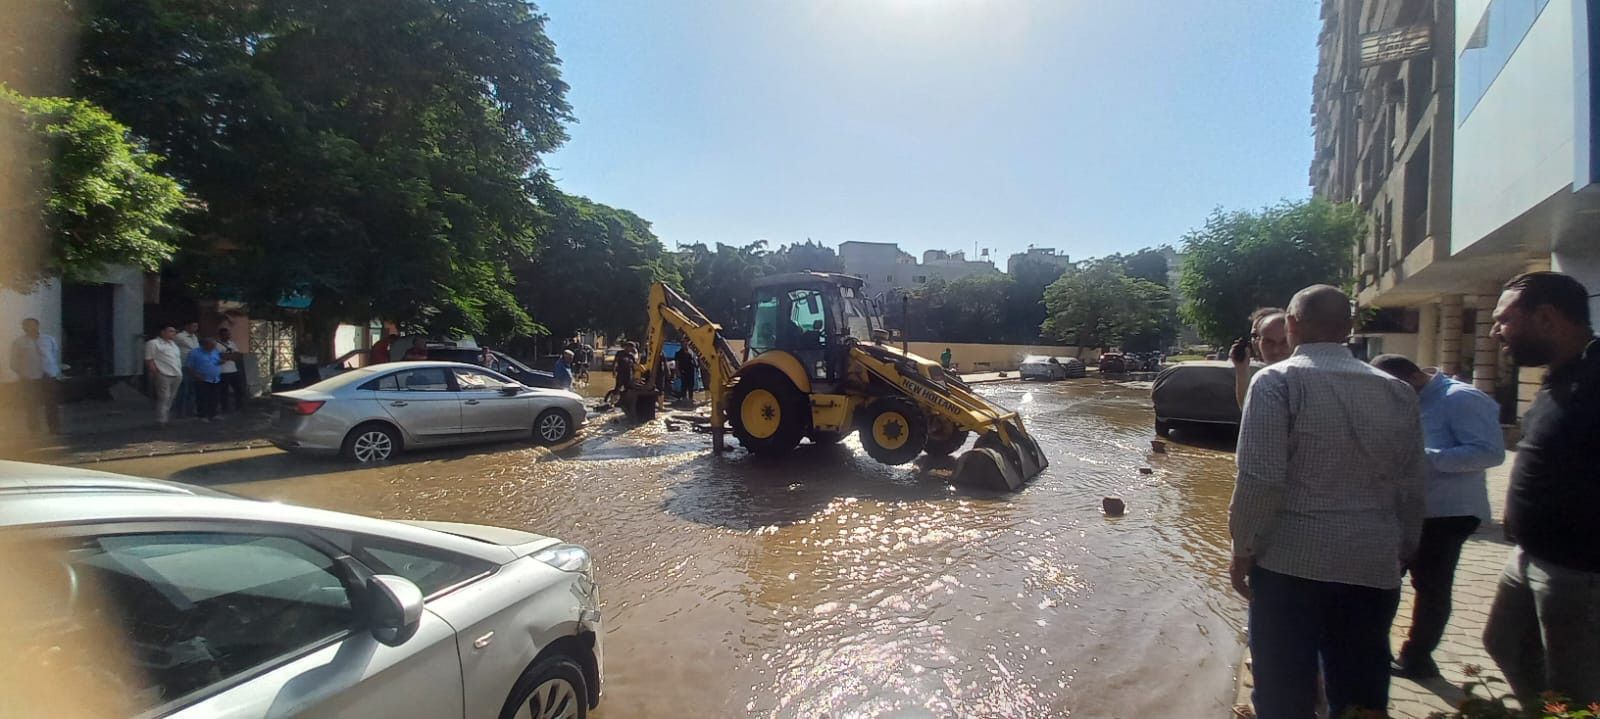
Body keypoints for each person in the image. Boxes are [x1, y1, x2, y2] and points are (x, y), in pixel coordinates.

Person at [1229, 284, 1426, 719]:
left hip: (1290, 566)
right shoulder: (1398, 391)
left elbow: (1259, 479)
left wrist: (1241, 550)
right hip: (1372, 563)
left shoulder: (1277, 381)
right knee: (1361, 687)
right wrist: (1405, 544)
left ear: (1293, 325)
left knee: (1283, 688)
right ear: (1349, 328)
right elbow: (1412, 483)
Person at [1482, 271, 1600, 706]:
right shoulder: (1561, 376)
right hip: (1531, 556)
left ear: (1547, 317)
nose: (1495, 332)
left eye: (1504, 320)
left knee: (1576, 690)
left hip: (1580, 570)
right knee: (1504, 644)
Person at [1371, 354, 1505, 679]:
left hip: (1446, 512)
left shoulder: (1461, 398)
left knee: (1431, 586)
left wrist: (1424, 458)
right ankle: (1375, 652)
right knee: (1384, 581)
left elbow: (1490, 452)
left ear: (1411, 378)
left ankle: (1418, 658)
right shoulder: (1412, 398)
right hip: (1408, 509)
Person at [9, 318, 62, 434]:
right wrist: (24, 374)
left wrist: (52, 370)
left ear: (38, 326)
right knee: (32, 405)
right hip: (30, 378)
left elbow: (53, 354)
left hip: (48, 376)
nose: (30, 328)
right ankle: (34, 430)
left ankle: (54, 428)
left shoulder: (48, 339)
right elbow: (14, 362)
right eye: (27, 326)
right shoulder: (19, 342)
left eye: (33, 325)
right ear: (23, 328)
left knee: (52, 403)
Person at [1232, 307, 1291, 409]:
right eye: (1255, 335)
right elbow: (1250, 410)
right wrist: (1241, 369)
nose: (1256, 341)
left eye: (1283, 341)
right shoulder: (1254, 370)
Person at [143, 326, 183, 427]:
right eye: (170, 331)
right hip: (163, 373)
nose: (173, 333)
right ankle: (161, 420)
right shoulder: (153, 343)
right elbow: (149, 359)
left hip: (176, 373)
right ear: (162, 332)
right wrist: (156, 373)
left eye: (174, 331)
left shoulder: (173, 344)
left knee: (171, 397)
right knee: (164, 397)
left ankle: (166, 418)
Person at [185, 338, 224, 422]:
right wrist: (195, 375)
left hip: (215, 379)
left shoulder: (215, 351)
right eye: (211, 345)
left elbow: (216, 360)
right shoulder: (194, 353)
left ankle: (213, 414)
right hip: (202, 379)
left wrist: (220, 362)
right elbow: (188, 366)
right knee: (202, 398)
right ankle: (202, 415)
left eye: (214, 346)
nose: (213, 347)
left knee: (214, 397)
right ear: (205, 344)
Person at [215, 326, 247, 413]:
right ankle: (224, 408)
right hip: (222, 371)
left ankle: (239, 406)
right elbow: (221, 356)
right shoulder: (216, 345)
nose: (227, 336)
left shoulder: (232, 343)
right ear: (221, 335)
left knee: (239, 389)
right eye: (225, 335)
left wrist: (229, 356)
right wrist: (230, 356)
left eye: (228, 334)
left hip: (233, 370)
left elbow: (238, 355)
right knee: (223, 391)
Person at [173, 320, 200, 417]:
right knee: (184, 389)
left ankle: (190, 410)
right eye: (193, 326)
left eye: (196, 326)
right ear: (187, 326)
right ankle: (180, 411)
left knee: (192, 390)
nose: (195, 328)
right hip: (183, 365)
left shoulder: (195, 337)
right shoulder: (180, 336)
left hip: (194, 365)